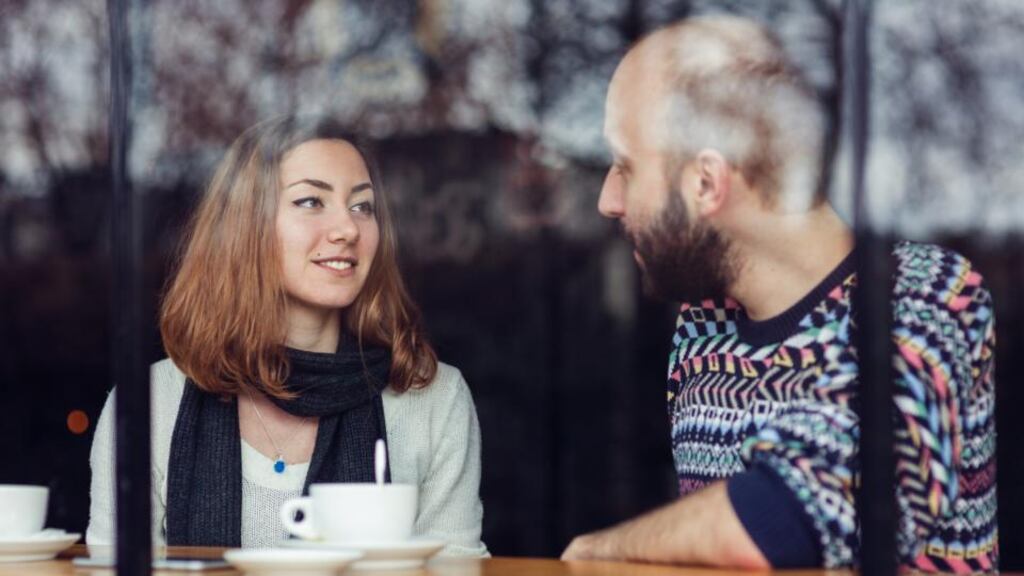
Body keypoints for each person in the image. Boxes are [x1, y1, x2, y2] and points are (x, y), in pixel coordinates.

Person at [561, 15, 997, 572]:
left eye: (625, 166)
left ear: (705, 183)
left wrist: (596, 552)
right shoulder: (703, 325)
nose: (608, 200)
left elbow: (792, 515)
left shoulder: (929, 301)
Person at [87, 116, 488, 555]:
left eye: (362, 206)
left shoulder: (432, 399)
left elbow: (458, 568)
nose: (348, 229)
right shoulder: (148, 405)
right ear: (245, 227)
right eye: (311, 201)